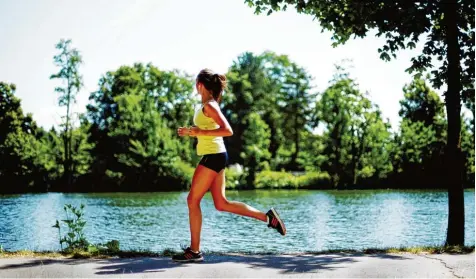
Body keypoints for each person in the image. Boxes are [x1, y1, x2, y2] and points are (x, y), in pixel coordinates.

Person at [173, 69, 286, 263]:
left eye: (196, 83)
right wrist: (194, 132)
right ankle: (268, 218)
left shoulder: (210, 106)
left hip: (213, 156)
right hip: (216, 155)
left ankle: (194, 251)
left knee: (193, 200)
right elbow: (211, 130)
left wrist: (197, 131)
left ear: (200, 85)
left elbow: (227, 130)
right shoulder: (208, 106)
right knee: (221, 203)